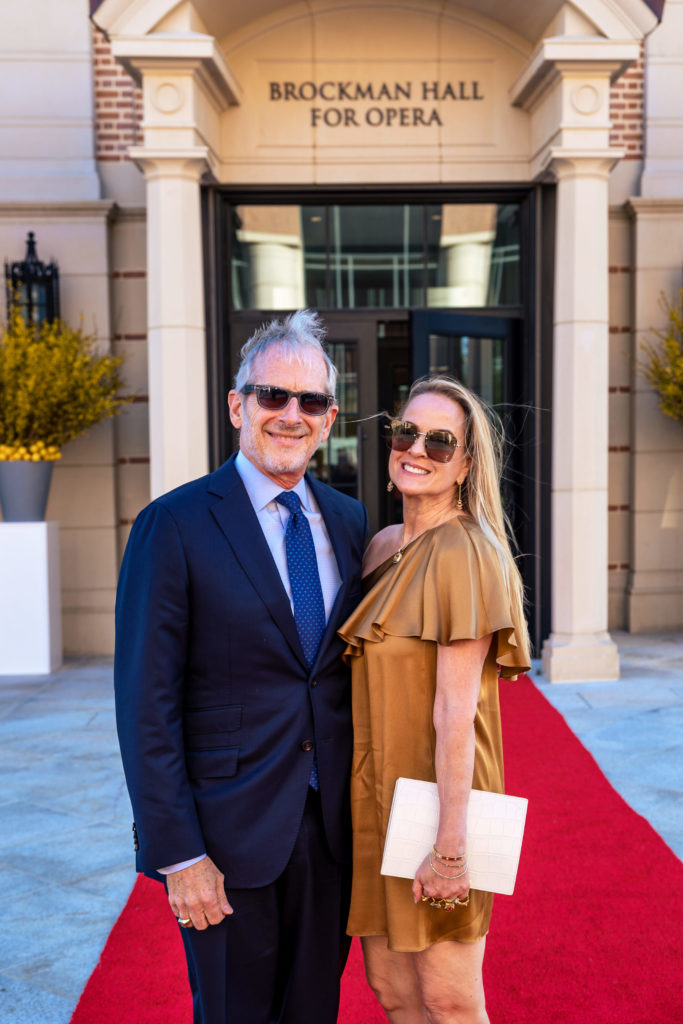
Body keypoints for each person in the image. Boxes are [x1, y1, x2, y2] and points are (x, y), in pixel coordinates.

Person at [114, 310, 368, 1024]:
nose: (291, 415)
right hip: (225, 842)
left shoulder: (349, 523)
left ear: (328, 418)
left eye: (310, 401)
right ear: (237, 406)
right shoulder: (176, 524)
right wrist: (178, 853)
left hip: (330, 835)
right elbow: (145, 704)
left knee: (314, 1011)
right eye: (272, 396)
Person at [339, 375, 530, 1024]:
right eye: (405, 431)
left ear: (466, 464)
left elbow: (456, 711)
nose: (416, 448)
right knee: (391, 989)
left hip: (439, 805)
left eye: (440, 440)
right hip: (373, 795)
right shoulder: (379, 548)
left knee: (449, 998)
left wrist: (450, 849)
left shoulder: (466, 552)